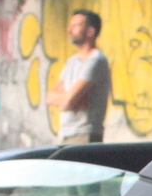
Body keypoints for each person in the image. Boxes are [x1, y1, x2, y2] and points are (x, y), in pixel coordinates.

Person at [47, 9, 110, 143]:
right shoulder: (71, 62)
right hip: (65, 134)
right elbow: (49, 97)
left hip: (85, 134)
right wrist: (72, 100)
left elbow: (68, 102)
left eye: (75, 25)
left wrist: (69, 100)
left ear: (90, 31)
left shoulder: (96, 61)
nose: (70, 29)